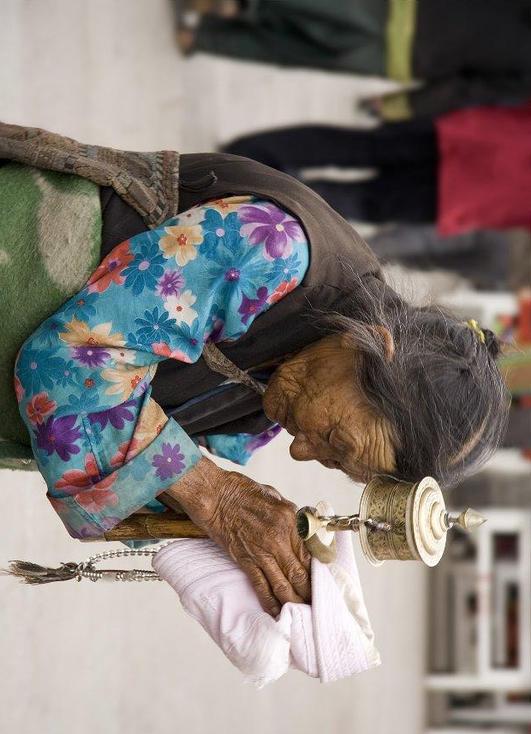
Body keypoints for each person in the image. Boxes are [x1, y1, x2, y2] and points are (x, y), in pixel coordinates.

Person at [1, 122, 508, 618]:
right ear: (375, 346)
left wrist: (246, 551)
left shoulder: (286, 389)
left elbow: (135, 471)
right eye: (335, 439)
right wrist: (213, 495)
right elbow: (74, 359)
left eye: (331, 460)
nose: (299, 448)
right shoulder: (274, 250)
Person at [175, 0, 531, 120]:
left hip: (407, 8)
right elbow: (463, 90)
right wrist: (397, 106)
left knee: (313, 6)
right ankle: (202, 36)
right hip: (404, 58)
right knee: (296, 49)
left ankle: (236, 6)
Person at [224, 102, 531, 233]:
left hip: (478, 136)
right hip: (472, 196)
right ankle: (251, 190)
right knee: (357, 199)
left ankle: (248, 157)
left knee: (359, 147)